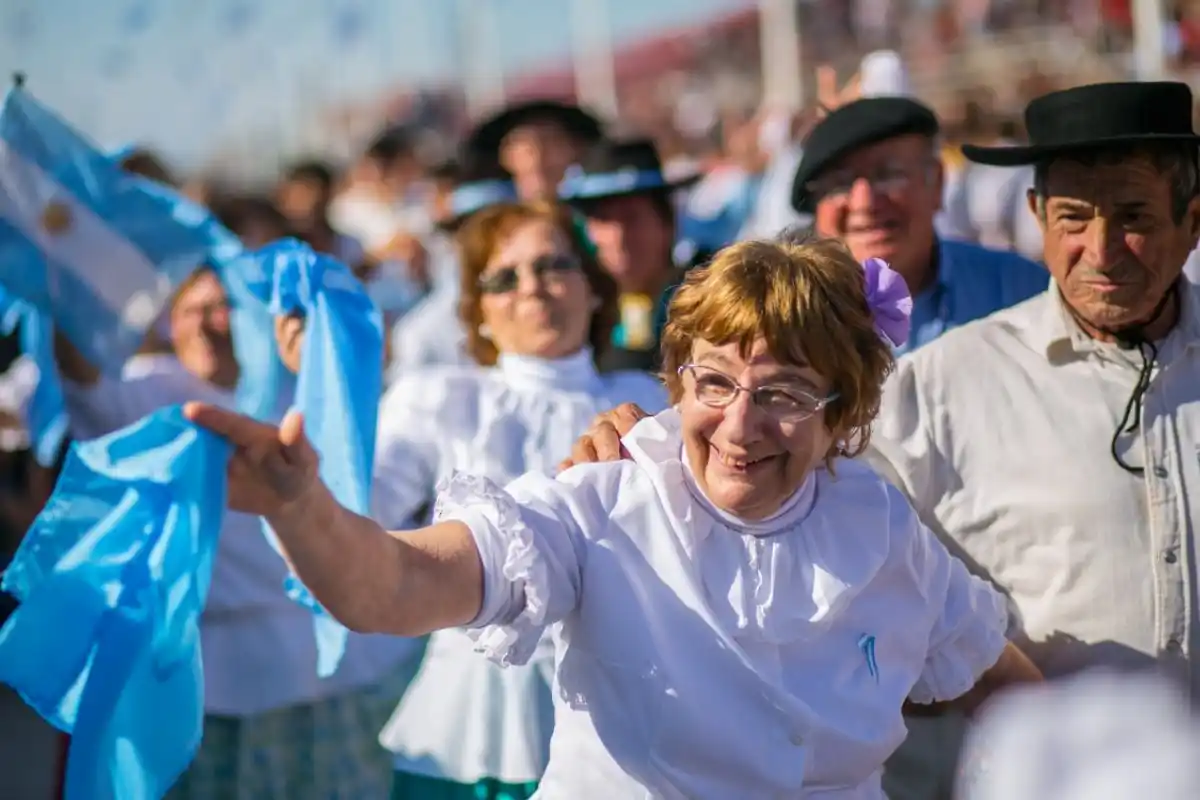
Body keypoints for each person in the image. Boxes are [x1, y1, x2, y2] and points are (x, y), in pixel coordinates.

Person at [185, 236, 1041, 799]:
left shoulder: (881, 526)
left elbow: (995, 676)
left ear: (841, 412)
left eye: (780, 392)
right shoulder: (603, 499)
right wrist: (303, 510)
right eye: (713, 383)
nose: (740, 426)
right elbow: (399, 587)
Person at [562, 80, 1200, 799]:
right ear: (1038, 217)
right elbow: (777, 503)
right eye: (1075, 216)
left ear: (1193, 219)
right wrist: (643, 448)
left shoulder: (999, 285)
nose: (1102, 248)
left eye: (1136, 215)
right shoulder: (934, 383)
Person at [54, 266, 414, 799]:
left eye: (220, 309)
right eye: (188, 311)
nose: (205, 325)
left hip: (307, 670)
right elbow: (82, 378)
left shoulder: (306, 399)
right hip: (194, 676)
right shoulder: (151, 390)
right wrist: (63, 254)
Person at [359, 201, 667, 799]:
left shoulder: (643, 401)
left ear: (593, 288)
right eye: (504, 277)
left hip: (624, 716)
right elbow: (360, 511)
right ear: (477, 315)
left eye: (553, 265)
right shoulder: (439, 397)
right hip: (469, 729)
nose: (532, 288)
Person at [789, 94, 1048, 354]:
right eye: (840, 183)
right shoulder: (785, 315)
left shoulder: (1018, 290)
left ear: (936, 183)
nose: (865, 202)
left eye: (888, 175)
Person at [558, 137, 699, 372]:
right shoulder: (575, 319)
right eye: (603, 219)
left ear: (667, 224)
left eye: (632, 217)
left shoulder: (705, 304)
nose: (619, 237)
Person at [463, 99, 604, 202]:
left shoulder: (602, 223)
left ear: (576, 148)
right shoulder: (492, 231)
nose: (539, 156)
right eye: (527, 146)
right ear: (505, 157)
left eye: (551, 141)